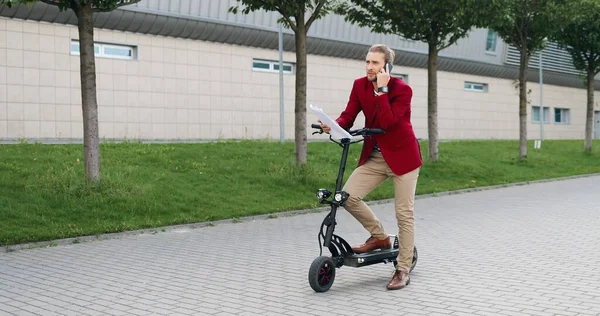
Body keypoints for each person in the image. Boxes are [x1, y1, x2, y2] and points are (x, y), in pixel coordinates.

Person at [318, 44, 422, 290]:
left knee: (404, 213)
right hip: (375, 157)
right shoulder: (359, 85)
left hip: (403, 159)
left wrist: (382, 90)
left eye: (375, 63)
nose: (369, 67)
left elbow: (387, 122)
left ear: (387, 67)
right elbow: (349, 115)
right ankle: (380, 237)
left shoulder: (402, 90)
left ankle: (403, 268)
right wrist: (332, 125)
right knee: (347, 197)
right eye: (367, 62)